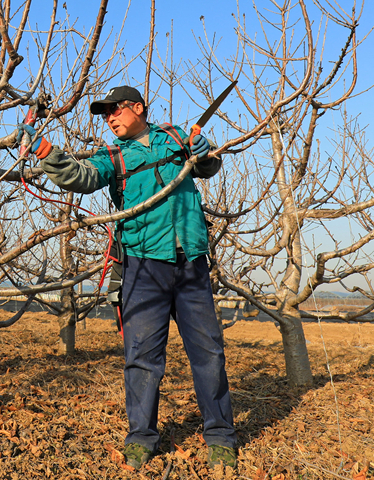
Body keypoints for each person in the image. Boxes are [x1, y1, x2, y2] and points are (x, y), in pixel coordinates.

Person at [18, 85, 237, 474]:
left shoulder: (174, 138)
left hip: (191, 263)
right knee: (142, 359)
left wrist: (204, 152)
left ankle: (220, 437)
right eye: (105, 115)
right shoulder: (113, 156)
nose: (110, 119)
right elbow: (80, 176)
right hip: (141, 267)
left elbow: (206, 168)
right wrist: (44, 151)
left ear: (138, 108)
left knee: (208, 354)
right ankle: (141, 439)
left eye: (115, 111)